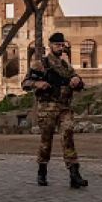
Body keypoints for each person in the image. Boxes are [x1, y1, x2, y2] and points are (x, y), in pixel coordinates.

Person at [22, 32, 88, 188]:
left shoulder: (66, 66)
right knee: (46, 141)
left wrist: (77, 80)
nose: (60, 47)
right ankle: (42, 171)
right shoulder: (41, 64)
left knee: (68, 135)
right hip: (47, 108)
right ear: (50, 46)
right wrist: (37, 84)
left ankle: (74, 174)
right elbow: (25, 82)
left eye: (62, 44)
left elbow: (79, 83)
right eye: (57, 44)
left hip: (64, 108)